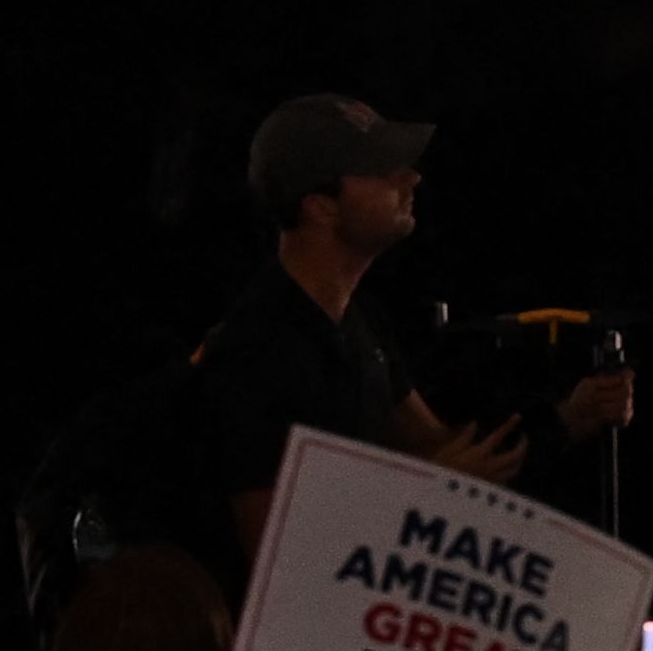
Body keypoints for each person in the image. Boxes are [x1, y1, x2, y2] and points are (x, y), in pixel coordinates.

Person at [198, 92, 619, 564]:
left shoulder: (358, 321)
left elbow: (444, 448)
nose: (411, 177)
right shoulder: (257, 349)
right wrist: (428, 489)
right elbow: (272, 551)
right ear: (320, 206)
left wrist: (571, 416)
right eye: (380, 168)